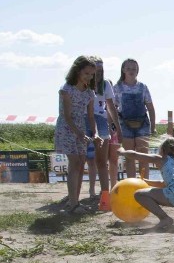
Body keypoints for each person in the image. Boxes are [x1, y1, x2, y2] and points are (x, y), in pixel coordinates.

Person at [116, 137, 174, 230]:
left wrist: (122, 152)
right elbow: (166, 184)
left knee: (139, 194)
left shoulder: (161, 159)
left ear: (163, 150)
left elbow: (135, 155)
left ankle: (165, 218)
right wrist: (146, 181)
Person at [55, 55, 99, 214]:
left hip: (81, 128)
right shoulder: (67, 89)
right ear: (78, 71)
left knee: (81, 163)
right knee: (74, 162)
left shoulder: (89, 93)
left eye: (92, 74)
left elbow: (91, 116)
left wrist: (95, 133)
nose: (89, 76)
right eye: (86, 73)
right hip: (67, 128)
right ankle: (72, 203)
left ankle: (75, 201)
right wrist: (79, 133)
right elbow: (67, 116)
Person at [113, 58, 156, 179]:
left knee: (143, 156)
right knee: (130, 156)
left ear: (138, 71)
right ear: (123, 70)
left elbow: (151, 108)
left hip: (142, 124)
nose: (131, 71)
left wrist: (153, 127)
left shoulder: (143, 87)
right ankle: (132, 183)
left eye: (134, 69)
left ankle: (145, 182)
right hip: (125, 125)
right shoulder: (117, 88)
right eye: (128, 68)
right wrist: (115, 127)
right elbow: (113, 109)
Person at [88, 57, 121, 194]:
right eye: (96, 70)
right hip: (85, 119)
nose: (98, 73)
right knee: (88, 159)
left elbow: (111, 107)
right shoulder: (83, 83)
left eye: (101, 70)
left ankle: (105, 194)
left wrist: (118, 128)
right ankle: (88, 190)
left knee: (102, 160)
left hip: (102, 120)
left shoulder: (106, 84)